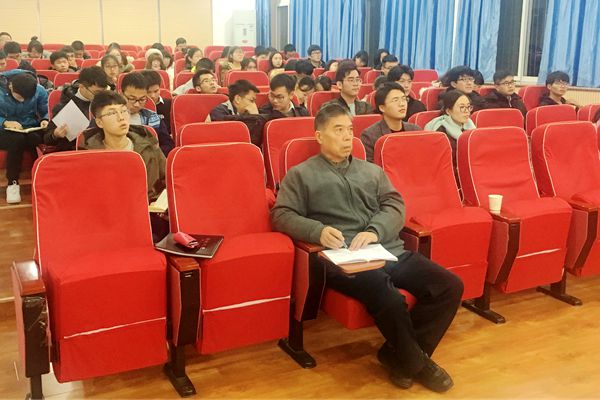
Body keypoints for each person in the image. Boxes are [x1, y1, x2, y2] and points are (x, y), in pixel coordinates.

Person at [271, 103, 463, 393]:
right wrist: (317, 231)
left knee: (449, 285)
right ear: (320, 136)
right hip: (344, 258)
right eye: (338, 130)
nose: (347, 136)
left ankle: (399, 356)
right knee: (388, 296)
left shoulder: (371, 171)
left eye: (350, 130)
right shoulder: (302, 175)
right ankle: (417, 364)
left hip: (386, 249)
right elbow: (282, 214)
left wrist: (375, 231)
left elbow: (395, 205)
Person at [80, 90, 165, 203]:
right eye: (112, 113)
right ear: (99, 122)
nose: (121, 118)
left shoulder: (148, 145)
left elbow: (167, 181)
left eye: (124, 111)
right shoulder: (88, 154)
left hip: (149, 209)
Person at [0, 69, 49, 203]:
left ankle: (41, 178)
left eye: (26, 98)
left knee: (35, 138)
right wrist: (5, 122)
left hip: (29, 127)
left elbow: (45, 111)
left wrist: (45, 119)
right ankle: (13, 182)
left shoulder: (39, 90)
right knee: (17, 140)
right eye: (19, 96)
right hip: (4, 129)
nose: (22, 100)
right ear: (11, 86)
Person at [44, 66, 110, 151]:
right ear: (82, 86)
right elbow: (47, 139)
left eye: (103, 92)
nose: (100, 97)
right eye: (96, 93)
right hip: (74, 150)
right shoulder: (65, 106)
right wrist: (55, 134)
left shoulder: (106, 102)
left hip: (103, 147)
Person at [361, 82, 420, 162]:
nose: (402, 104)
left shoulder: (415, 130)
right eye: (395, 100)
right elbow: (371, 167)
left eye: (404, 99)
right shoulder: (370, 136)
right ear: (382, 108)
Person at [120, 72, 174, 155]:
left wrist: (151, 153)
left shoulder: (153, 118)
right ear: (121, 94)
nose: (137, 104)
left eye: (142, 99)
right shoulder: (110, 117)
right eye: (132, 99)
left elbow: (168, 145)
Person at [425, 90, 475, 174]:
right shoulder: (440, 133)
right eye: (462, 107)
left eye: (468, 107)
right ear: (448, 111)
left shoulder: (470, 126)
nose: (467, 111)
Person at [207, 79, 266, 146]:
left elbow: (254, 143)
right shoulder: (218, 112)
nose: (253, 105)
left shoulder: (246, 112)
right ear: (237, 99)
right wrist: (254, 117)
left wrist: (255, 116)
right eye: (251, 100)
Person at [140, 70, 172, 137]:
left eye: (156, 91)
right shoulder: (138, 108)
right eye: (148, 92)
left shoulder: (170, 105)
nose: (153, 95)